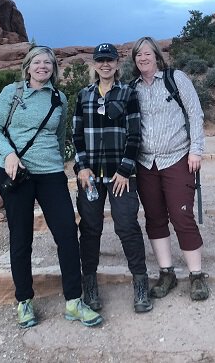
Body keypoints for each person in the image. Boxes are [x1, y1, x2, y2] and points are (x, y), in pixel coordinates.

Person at [0, 45, 103, 329]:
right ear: (27, 67)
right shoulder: (11, 93)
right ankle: (24, 301)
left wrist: (59, 160)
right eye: (37, 62)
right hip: (17, 173)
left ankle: (74, 301)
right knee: (21, 237)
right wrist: (9, 154)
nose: (42, 66)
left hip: (50, 173)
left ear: (53, 68)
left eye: (47, 63)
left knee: (66, 233)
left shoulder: (59, 98)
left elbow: (61, 134)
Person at [72, 42, 152, 314]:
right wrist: (81, 167)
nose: (105, 65)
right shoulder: (83, 95)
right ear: (94, 65)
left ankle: (141, 284)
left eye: (110, 60)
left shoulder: (128, 93)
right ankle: (90, 284)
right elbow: (77, 136)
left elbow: (134, 134)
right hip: (91, 175)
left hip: (121, 174)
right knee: (90, 229)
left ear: (117, 65)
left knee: (127, 225)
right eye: (100, 60)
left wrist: (125, 169)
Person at [130, 36, 210, 301]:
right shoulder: (133, 88)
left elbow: (195, 113)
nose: (143, 58)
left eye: (147, 54)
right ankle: (167, 273)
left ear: (156, 55)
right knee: (154, 217)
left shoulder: (175, 79)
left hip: (177, 157)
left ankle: (196, 275)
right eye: (138, 55)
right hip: (145, 162)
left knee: (181, 215)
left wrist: (196, 149)